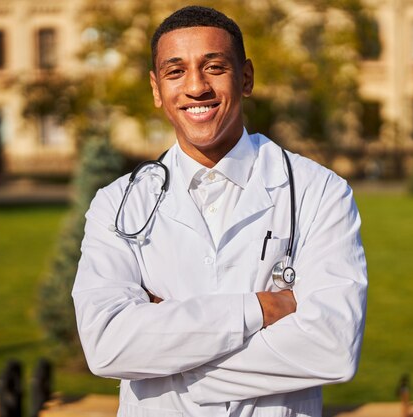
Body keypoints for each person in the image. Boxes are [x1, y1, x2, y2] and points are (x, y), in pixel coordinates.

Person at [72, 6, 368, 417]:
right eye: (176, 72)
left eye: (213, 67)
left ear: (245, 78)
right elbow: (106, 347)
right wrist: (261, 309)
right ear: (157, 90)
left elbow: (332, 347)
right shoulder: (117, 204)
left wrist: (166, 362)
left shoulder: (320, 192)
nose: (196, 87)